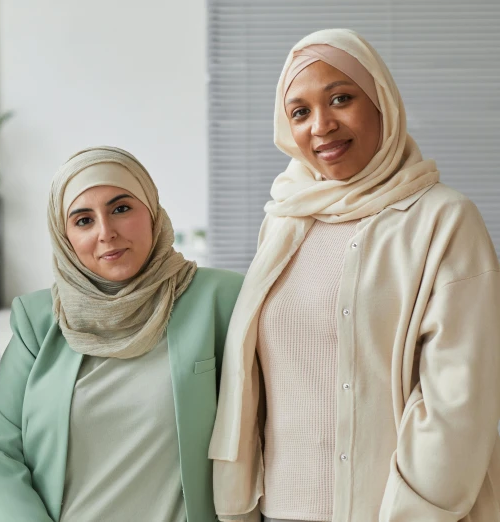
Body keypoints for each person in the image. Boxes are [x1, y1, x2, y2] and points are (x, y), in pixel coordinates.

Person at [209, 28, 500, 522]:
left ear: (381, 102)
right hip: (280, 511)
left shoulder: (442, 219)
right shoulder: (284, 221)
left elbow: (458, 403)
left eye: (340, 98)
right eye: (300, 112)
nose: (321, 126)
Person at [0, 146, 243, 521]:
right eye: (83, 221)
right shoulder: (38, 320)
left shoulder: (223, 299)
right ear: (64, 236)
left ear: (151, 210)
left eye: (121, 209)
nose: (107, 233)